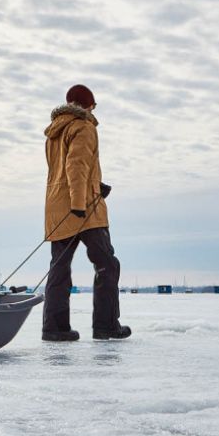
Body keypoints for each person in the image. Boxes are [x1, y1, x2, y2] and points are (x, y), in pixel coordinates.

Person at [41, 84, 131, 342]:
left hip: (56, 207)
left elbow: (65, 170)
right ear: (86, 105)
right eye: (93, 104)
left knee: (59, 269)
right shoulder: (84, 126)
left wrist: (96, 185)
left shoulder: (54, 132)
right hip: (83, 209)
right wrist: (80, 203)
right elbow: (76, 165)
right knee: (107, 265)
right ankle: (106, 326)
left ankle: (54, 328)